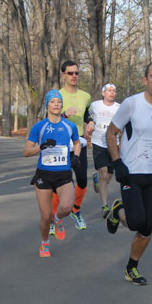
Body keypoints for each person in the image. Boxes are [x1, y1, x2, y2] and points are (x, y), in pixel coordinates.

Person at [105, 61, 152, 286]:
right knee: (136, 221)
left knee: (147, 228)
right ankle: (118, 210)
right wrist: (117, 162)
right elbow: (111, 132)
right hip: (132, 172)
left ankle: (131, 268)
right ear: (145, 80)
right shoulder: (132, 104)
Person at [24, 89, 81, 257]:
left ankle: (58, 219)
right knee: (45, 215)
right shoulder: (39, 126)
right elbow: (26, 151)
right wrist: (41, 147)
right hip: (44, 174)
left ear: (62, 104)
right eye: (52, 101)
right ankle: (44, 243)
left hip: (64, 173)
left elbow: (77, 143)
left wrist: (76, 156)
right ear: (47, 105)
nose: (56, 104)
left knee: (66, 207)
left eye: (59, 101)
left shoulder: (69, 126)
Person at [56, 60, 92, 230]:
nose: (74, 76)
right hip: (61, 143)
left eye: (76, 73)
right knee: (62, 182)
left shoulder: (85, 96)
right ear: (63, 75)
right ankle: (54, 217)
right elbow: (50, 120)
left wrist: (91, 123)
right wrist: (64, 114)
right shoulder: (56, 95)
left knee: (83, 181)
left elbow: (87, 115)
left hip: (78, 143)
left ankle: (75, 211)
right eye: (70, 73)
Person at [86, 83, 121, 218]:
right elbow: (86, 116)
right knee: (104, 173)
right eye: (109, 91)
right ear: (103, 93)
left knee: (108, 177)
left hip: (113, 144)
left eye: (114, 91)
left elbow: (123, 122)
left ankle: (97, 179)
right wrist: (88, 129)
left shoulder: (119, 107)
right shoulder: (95, 105)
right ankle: (104, 206)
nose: (112, 93)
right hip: (98, 142)